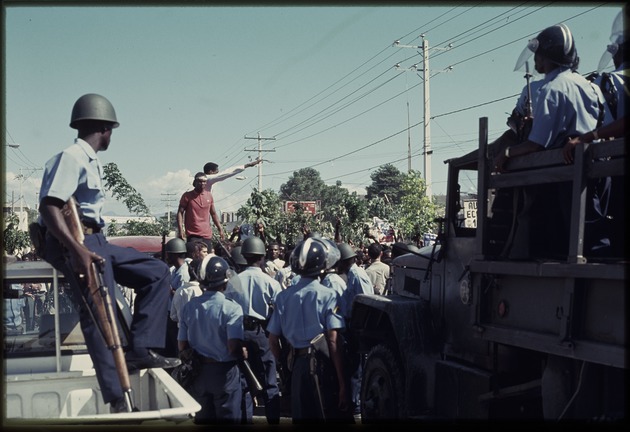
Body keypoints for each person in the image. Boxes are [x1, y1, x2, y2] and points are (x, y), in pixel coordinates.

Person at [36, 93, 180, 413]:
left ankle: (141, 347)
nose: (111, 135)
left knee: (156, 272)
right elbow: (49, 206)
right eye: (110, 129)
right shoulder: (72, 157)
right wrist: (77, 251)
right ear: (104, 128)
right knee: (99, 314)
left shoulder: (88, 159)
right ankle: (117, 397)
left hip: (96, 239)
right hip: (76, 241)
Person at [492, 23, 612, 259]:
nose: (536, 61)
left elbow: (537, 143)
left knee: (563, 234)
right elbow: (604, 126)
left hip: (566, 172)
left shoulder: (551, 89)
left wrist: (506, 154)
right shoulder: (589, 86)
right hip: (596, 168)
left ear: (547, 56)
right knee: (594, 230)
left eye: (538, 55)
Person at [267, 238, 352, 423]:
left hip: (297, 365)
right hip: (324, 366)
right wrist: (343, 382)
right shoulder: (329, 295)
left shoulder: (283, 297)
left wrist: (286, 366)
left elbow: (273, 340)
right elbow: (333, 340)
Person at [178, 256, 246, 424]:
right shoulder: (232, 308)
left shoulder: (189, 307)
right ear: (225, 281)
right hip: (224, 373)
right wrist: (242, 353)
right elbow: (233, 347)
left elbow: (182, 344)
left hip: (198, 372)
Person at [224, 236, 282, 424]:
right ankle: (273, 421)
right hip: (261, 333)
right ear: (262, 256)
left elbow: (228, 308)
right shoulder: (270, 282)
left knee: (244, 380)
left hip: (239, 333)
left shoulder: (234, 282)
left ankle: (245, 421)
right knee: (269, 380)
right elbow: (279, 311)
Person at [336, 242, 374, 415]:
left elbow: (366, 302)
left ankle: (357, 406)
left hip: (358, 327)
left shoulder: (357, 275)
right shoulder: (352, 274)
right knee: (353, 367)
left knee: (357, 369)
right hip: (352, 326)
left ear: (344, 261)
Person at [177, 172, 225, 253]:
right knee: (194, 259)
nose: (202, 183)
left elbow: (213, 213)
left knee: (206, 260)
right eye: (200, 181)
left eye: (204, 181)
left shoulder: (209, 195)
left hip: (206, 235)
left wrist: (220, 228)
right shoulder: (187, 196)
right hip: (193, 235)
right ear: (195, 182)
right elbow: (180, 213)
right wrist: (181, 230)